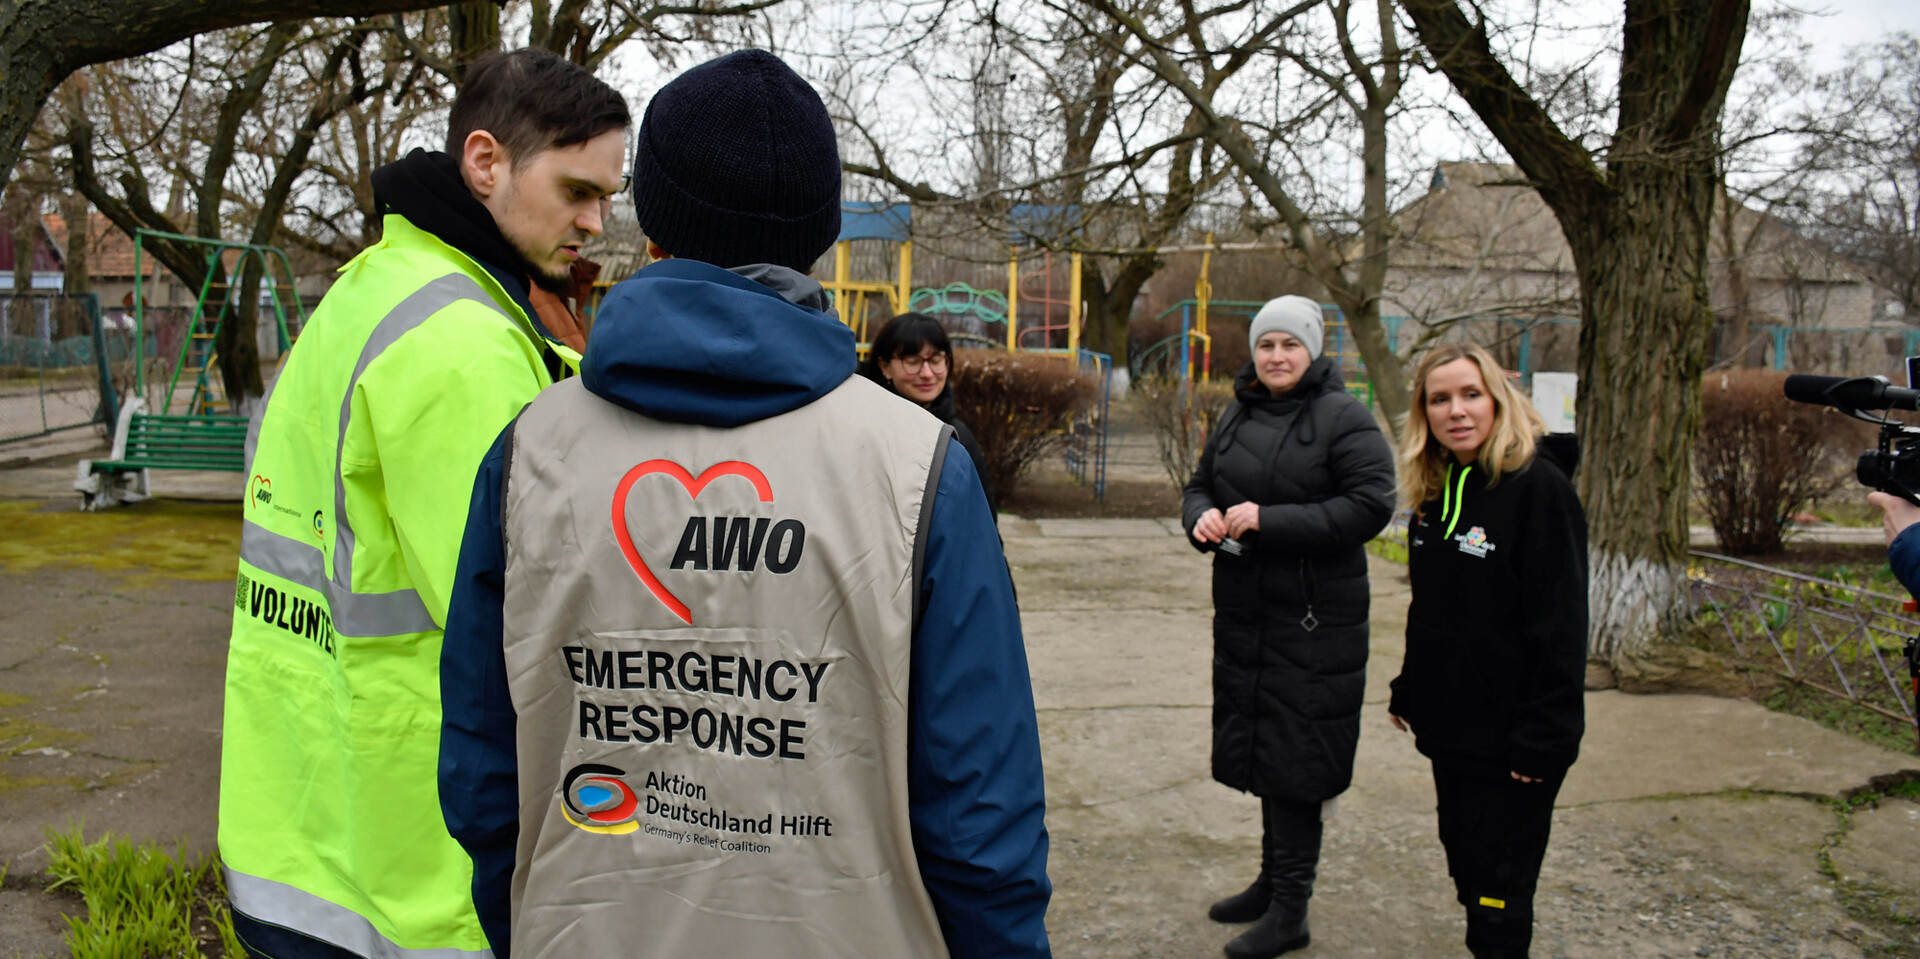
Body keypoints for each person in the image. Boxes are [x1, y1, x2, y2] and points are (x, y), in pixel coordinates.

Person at [436, 49, 1051, 959]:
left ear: (654, 233)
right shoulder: (918, 467)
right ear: (821, 239)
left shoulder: (531, 451)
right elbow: (978, 809)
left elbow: (484, 772)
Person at [219, 49, 630, 959]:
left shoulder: (371, 289)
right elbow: (526, 627)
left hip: (300, 836)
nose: (594, 222)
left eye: (607, 195)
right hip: (418, 878)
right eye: (575, 191)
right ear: (486, 162)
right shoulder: (463, 346)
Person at [1181, 295, 1395, 959]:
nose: (1276, 356)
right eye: (1267, 345)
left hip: (1314, 620)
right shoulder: (1238, 411)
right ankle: (1272, 883)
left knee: (1300, 757)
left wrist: (1271, 520)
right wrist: (1201, 519)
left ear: (1313, 350)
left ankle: (1292, 910)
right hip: (1249, 612)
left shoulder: (1344, 416)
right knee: (1270, 749)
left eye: (1290, 345)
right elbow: (1199, 484)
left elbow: (1370, 505)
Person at [1387, 343, 1587, 959]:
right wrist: (1410, 685)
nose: (1457, 410)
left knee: (1500, 895)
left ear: (1499, 398)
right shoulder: (1439, 489)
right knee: (1469, 872)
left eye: (1471, 394)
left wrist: (1545, 733)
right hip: (1454, 732)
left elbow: (1560, 625)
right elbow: (1438, 608)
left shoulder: (1539, 489)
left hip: (1515, 741)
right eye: (1439, 399)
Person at [857, 311, 996, 512]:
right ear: (885, 367)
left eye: (936, 360)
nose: (927, 374)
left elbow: (983, 519)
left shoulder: (958, 437)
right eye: (912, 362)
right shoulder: (864, 431)